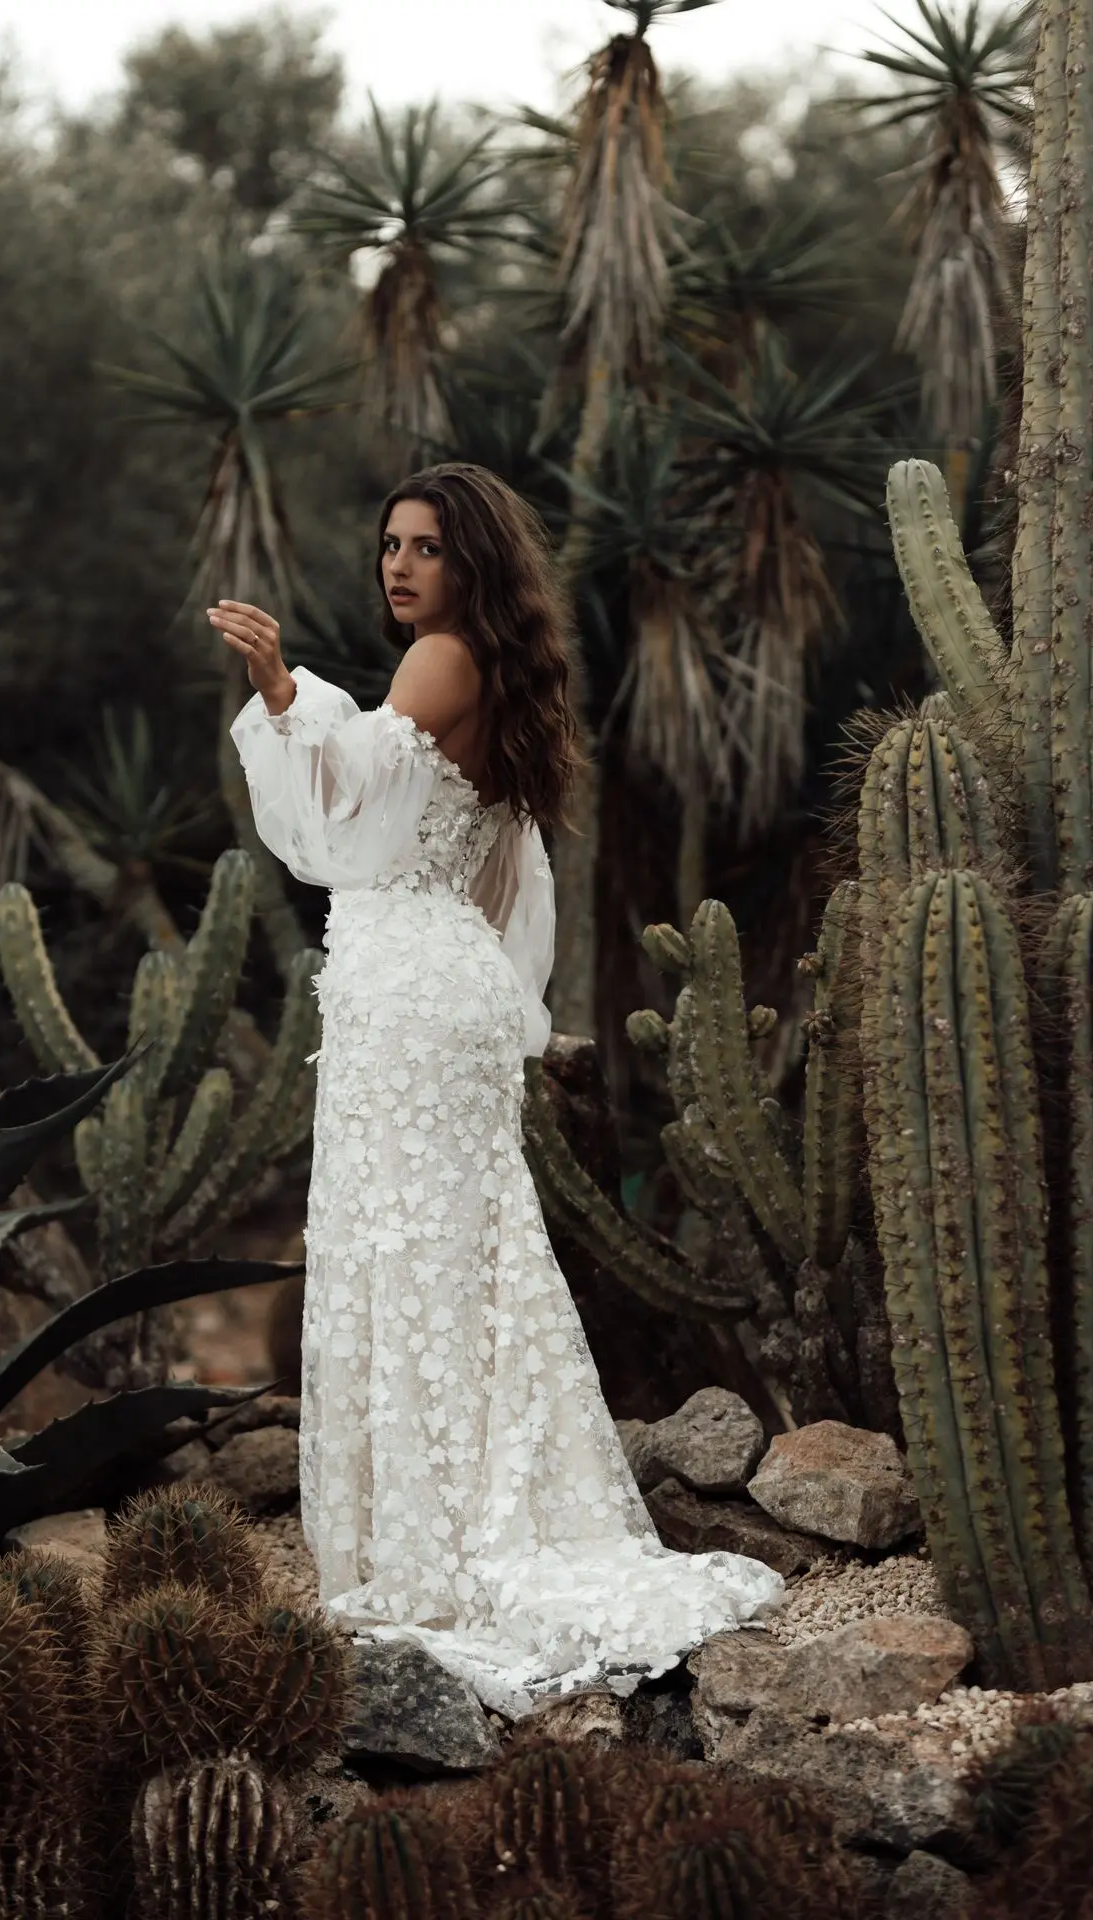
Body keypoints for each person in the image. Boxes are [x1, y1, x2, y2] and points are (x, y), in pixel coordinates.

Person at [211, 462, 783, 1717]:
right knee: (463, 1263)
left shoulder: (437, 663)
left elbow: (344, 831)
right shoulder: (492, 673)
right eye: (388, 545)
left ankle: (435, 1550)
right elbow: (474, 864)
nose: (398, 567)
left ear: (471, 563)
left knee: (408, 1261)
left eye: (424, 546)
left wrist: (278, 692)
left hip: (410, 1002)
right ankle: (482, 1512)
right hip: (441, 988)